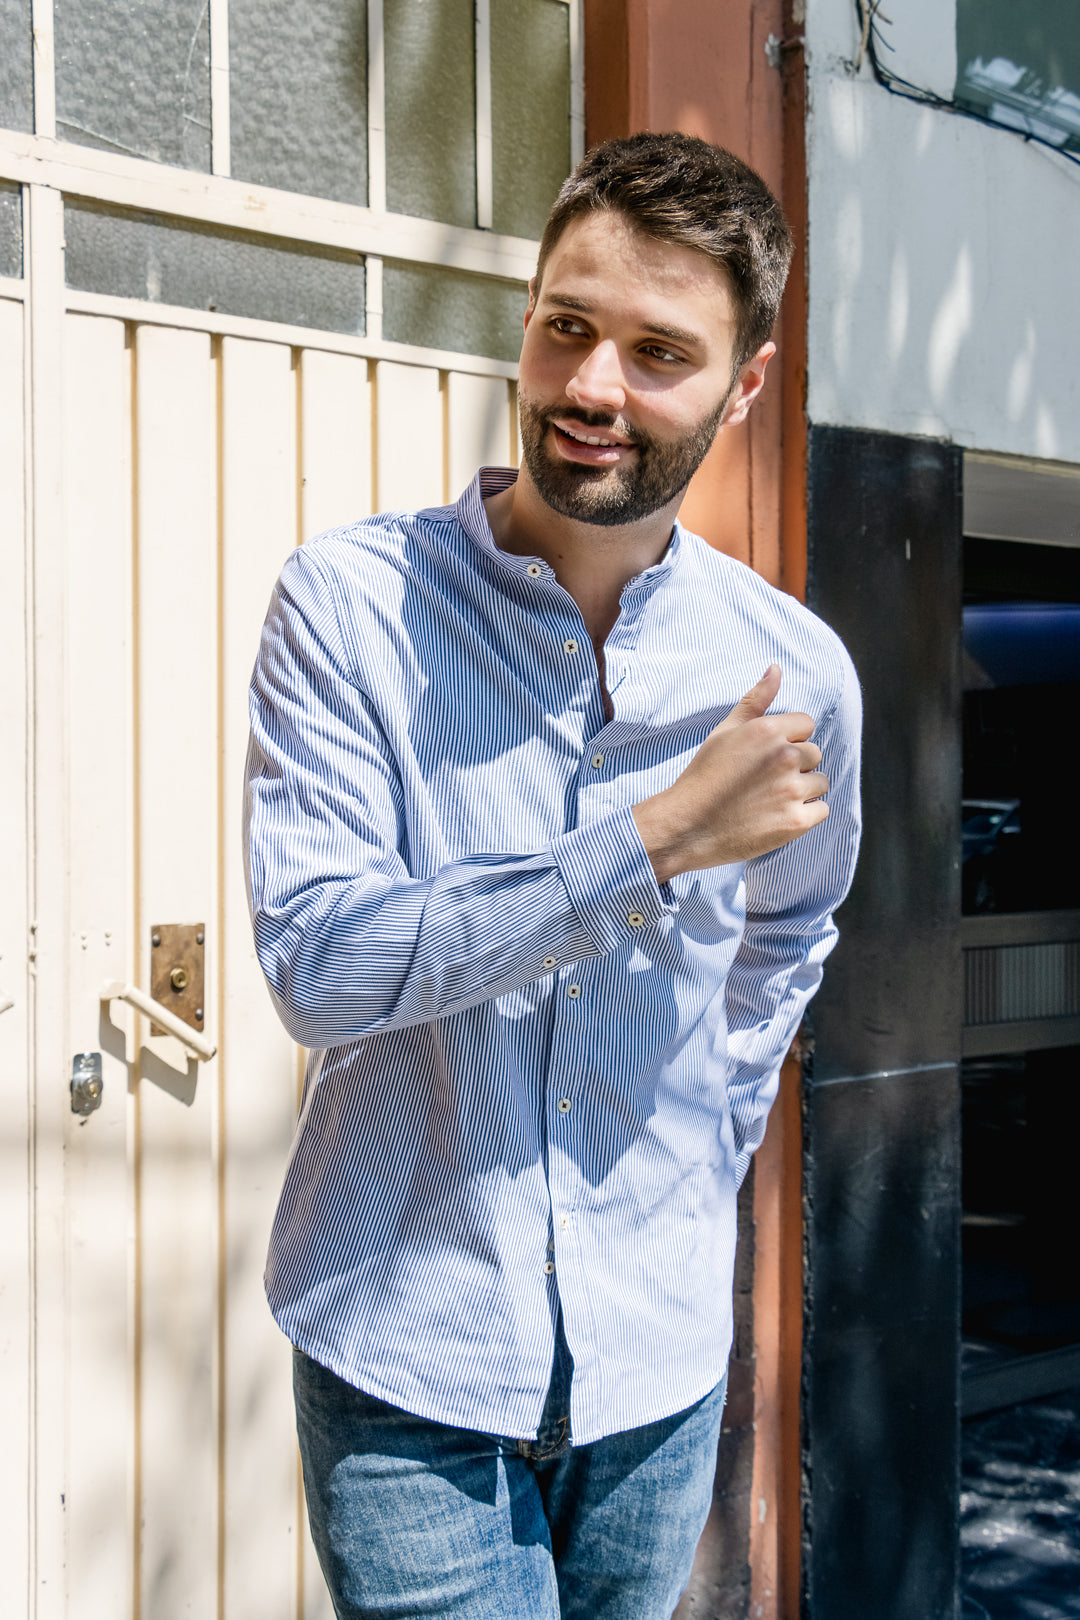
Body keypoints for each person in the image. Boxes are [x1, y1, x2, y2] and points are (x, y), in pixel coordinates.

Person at [244, 132, 861, 1620]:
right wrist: (652, 843)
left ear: (745, 386)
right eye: (569, 326)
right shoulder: (355, 610)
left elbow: (791, 935)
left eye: (661, 352)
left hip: (655, 1360)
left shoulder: (792, 674)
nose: (593, 388)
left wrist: (700, 1156)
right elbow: (320, 970)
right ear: (526, 321)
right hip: (410, 1347)